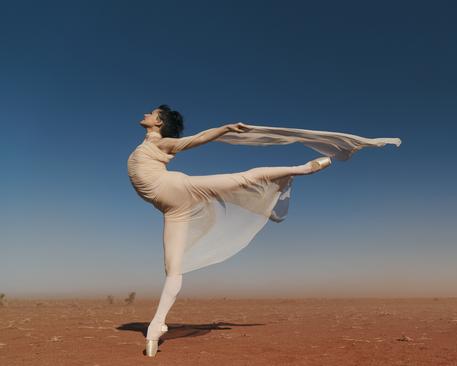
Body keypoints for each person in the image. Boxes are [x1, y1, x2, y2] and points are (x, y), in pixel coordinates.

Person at [126, 104, 401, 357]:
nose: (146, 113)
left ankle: (303, 168)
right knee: (173, 268)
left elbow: (195, 140)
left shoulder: (160, 142)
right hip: (172, 208)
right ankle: (156, 328)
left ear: (159, 122)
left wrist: (223, 129)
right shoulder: (150, 142)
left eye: (152, 112)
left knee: (242, 178)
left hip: (176, 189)